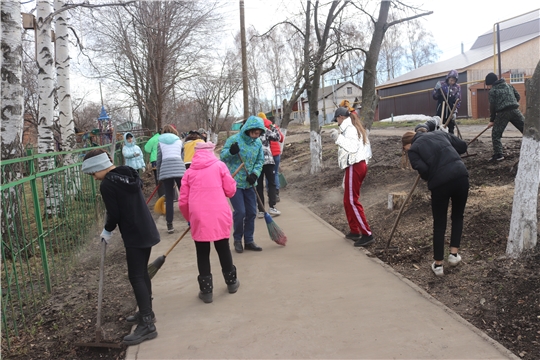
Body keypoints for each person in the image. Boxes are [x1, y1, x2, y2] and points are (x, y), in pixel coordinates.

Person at [81, 149, 160, 345]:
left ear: (99, 167)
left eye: (93, 173)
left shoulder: (108, 184)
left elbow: (114, 214)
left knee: (136, 276)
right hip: (146, 229)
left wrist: (107, 230)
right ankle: (146, 313)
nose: (94, 178)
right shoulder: (129, 173)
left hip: (134, 233)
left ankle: (148, 325)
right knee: (142, 273)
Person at [402, 129, 469, 276]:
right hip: (461, 176)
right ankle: (453, 255)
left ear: (408, 143)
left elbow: (424, 171)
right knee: (458, 216)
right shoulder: (440, 133)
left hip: (440, 185)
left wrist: (432, 172)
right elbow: (462, 146)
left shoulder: (413, 150)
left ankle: (438, 265)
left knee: (439, 223)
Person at [179, 141, 240, 303]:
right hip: (219, 213)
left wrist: (189, 218)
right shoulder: (220, 166)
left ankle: (206, 291)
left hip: (199, 216)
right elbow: (231, 191)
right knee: (223, 247)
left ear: (196, 154)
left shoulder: (189, 172)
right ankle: (232, 282)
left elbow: (183, 201)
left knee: (202, 251)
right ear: (211, 151)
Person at [220, 115, 265, 253]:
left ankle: (249, 240)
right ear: (247, 129)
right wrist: (231, 152)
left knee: (251, 212)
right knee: (240, 212)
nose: (256, 136)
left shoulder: (257, 144)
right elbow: (223, 156)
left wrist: (255, 174)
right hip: (235, 183)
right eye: (254, 133)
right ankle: (238, 239)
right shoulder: (234, 140)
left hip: (249, 183)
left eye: (258, 133)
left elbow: (259, 161)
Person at [332, 107, 374, 247]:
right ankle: (354, 230)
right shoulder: (354, 126)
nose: (337, 122)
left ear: (340, 117)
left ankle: (366, 234)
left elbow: (352, 147)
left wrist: (337, 138)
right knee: (347, 200)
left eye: (336, 119)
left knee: (351, 200)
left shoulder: (349, 128)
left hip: (355, 165)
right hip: (358, 165)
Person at [485, 72, 525, 162]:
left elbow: (492, 106)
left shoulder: (493, 91)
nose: (489, 87)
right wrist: (511, 102)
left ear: (491, 83)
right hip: (515, 110)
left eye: (489, 85)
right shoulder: (508, 86)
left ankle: (499, 155)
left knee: (496, 134)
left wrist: (492, 120)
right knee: (526, 129)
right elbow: (518, 96)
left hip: (502, 113)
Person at [157, 124, 186, 234]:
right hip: (179, 169)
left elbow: (159, 160)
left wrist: (159, 177)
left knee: (169, 198)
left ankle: (170, 225)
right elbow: (182, 157)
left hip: (166, 169)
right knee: (184, 196)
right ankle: (190, 219)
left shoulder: (160, 141)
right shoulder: (179, 141)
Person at [256, 112, 282, 217]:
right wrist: (273, 127)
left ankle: (261, 210)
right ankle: (272, 207)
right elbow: (277, 137)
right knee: (271, 183)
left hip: (257, 163)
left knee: (259, 186)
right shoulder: (266, 131)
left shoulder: (251, 132)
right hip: (268, 161)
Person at [259, 113, 285, 203]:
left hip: (265, 154)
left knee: (267, 175)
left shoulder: (258, 128)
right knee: (275, 173)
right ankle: (275, 193)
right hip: (276, 152)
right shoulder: (273, 126)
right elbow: (281, 138)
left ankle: (270, 193)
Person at [432, 70, 461, 134]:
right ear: (448, 78)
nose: (452, 82)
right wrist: (437, 90)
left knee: (450, 129)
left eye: (454, 80)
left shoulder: (457, 87)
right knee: (439, 128)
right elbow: (434, 97)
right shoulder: (441, 84)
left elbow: (458, 100)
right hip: (441, 110)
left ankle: (450, 142)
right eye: (451, 80)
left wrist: (455, 111)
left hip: (450, 111)